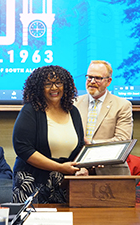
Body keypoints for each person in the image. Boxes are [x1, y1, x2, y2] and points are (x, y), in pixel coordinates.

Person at [12, 65, 85, 204]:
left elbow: (80, 145)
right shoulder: (30, 110)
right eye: (48, 84)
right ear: (39, 88)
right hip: (32, 182)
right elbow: (23, 149)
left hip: (63, 182)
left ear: (66, 86)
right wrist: (59, 167)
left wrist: (83, 166)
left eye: (58, 83)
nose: (54, 88)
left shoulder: (73, 111)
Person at [74, 60, 133, 175]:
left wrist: (92, 144)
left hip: (110, 172)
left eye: (97, 78)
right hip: (78, 170)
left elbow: (123, 140)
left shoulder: (122, 105)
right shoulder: (74, 103)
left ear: (108, 81)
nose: (92, 82)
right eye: (89, 77)